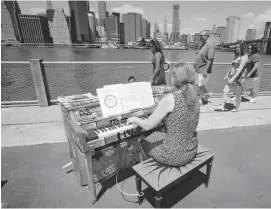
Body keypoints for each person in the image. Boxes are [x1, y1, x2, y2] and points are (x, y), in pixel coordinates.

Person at [127, 62, 200, 167]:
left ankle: (146, 172)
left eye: (172, 75)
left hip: (175, 156)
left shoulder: (170, 99)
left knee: (143, 140)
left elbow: (147, 125)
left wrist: (134, 119)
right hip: (191, 149)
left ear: (175, 78)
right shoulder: (195, 97)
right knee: (156, 134)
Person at [214, 42, 247, 112]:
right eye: (236, 47)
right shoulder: (236, 56)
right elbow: (232, 67)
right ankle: (222, 106)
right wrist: (227, 74)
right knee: (225, 90)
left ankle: (237, 108)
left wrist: (233, 78)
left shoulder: (244, 57)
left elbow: (240, 69)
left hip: (238, 77)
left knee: (238, 93)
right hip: (231, 75)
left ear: (242, 48)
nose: (236, 48)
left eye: (238, 47)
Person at [194, 30, 216, 105]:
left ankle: (200, 100)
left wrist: (206, 70)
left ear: (207, 36)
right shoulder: (202, 44)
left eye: (202, 36)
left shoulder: (210, 44)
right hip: (198, 68)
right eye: (199, 35)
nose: (200, 37)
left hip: (203, 68)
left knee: (201, 84)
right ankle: (206, 94)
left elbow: (210, 59)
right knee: (198, 84)